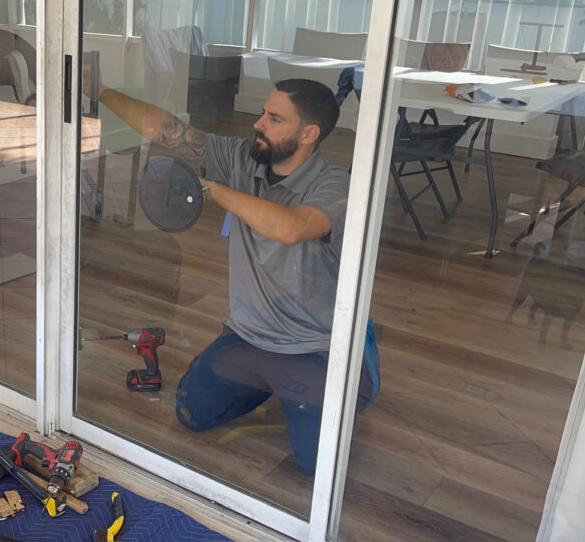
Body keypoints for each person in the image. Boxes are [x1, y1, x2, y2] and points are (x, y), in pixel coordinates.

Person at [90, 73, 376, 475]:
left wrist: (211, 189)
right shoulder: (242, 158)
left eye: (275, 119)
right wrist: (100, 91)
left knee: (318, 465)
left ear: (309, 133)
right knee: (193, 412)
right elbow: (165, 128)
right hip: (250, 335)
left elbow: (291, 228)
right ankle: (272, 383)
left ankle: (353, 371)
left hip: (314, 345)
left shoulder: (336, 186)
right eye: (262, 113)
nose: (258, 123)